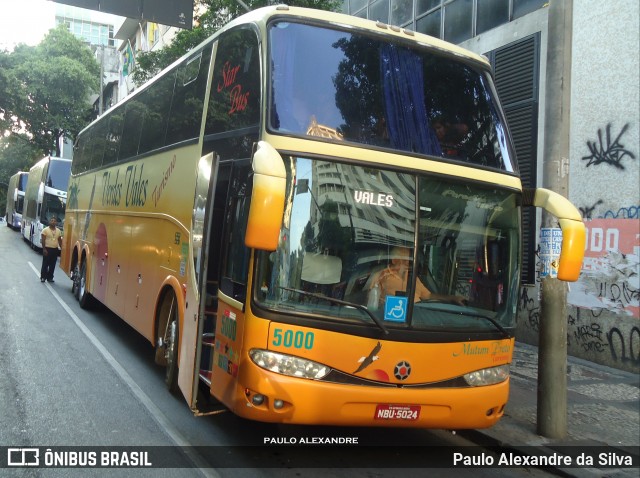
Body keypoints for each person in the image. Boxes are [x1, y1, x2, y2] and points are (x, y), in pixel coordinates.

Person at [369, 246, 466, 308]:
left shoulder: (412, 276)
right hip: (393, 318)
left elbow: (428, 296)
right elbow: (371, 303)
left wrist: (452, 298)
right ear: (394, 260)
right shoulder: (381, 276)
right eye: (405, 259)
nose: (408, 263)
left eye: (409, 260)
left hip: (417, 317)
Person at [40, 217, 62, 283]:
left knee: (52, 265)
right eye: (52, 221)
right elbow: (43, 240)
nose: (53, 222)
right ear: (49, 222)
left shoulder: (58, 231)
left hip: (55, 249)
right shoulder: (45, 230)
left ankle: (50, 277)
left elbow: (60, 240)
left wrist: (62, 249)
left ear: (56, 223)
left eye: (54, 221)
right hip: (47, 249)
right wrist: (44, 249)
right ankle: (43, 277)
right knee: (45, 264)